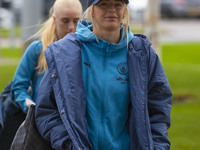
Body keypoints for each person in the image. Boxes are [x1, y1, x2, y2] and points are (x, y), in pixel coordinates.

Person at [35, 0, 172, 149]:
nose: (112, 10)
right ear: (91, 10)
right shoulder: (64, 53)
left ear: (125, 10)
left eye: (118, 5)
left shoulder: (143, 54)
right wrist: (68, 144)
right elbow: (46, 109)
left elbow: (159, 108)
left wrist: (158, 146)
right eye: (104, 4)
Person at [12, 0, 82, 113]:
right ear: (54, 19)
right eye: (65, 21)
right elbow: (18, 87)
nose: (71, 27)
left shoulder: (85, 50)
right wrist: (31, 109)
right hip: (42, 124)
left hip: (75, 125)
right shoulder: (37, 49)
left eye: (76, 21)